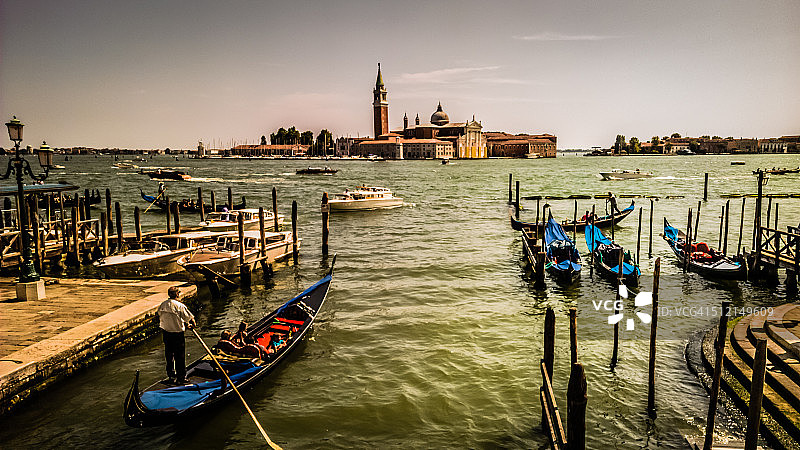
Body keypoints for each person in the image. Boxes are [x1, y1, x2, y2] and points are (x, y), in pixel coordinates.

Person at [157, 286, 195, 384]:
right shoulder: (180, 306)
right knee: (179, 356)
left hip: (166, 334)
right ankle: (181, 378)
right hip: (177, 335)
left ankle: (171, 375)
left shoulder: (162, 305)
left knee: (169, 356)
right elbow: (190, 319)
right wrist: (191, 325)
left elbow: (161, 317)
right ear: (177, 294)